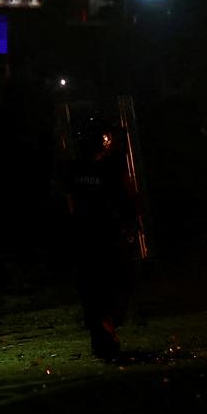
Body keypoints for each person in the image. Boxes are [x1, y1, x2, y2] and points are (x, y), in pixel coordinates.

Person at [67, 116, 141, 360]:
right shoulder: (107, 170)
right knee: (109, 285)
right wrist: (130, 224)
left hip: (85, 237)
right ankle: (105, 329)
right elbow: (124, 199)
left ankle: (102, 332)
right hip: (104, 237)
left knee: (93, 288)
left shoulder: (74, 170)